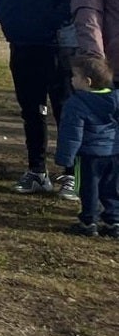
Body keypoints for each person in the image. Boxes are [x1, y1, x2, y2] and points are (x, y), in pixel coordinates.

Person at [0, 0, 89, 197]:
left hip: (58, 43)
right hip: (21, 40)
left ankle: (71, 173)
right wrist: (2, 14)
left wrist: (53, 21)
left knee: (65, 109)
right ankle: (37, 170)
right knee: (30, 108)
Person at [55, 55, 119, 237]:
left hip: (88, 155)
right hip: (113, 153)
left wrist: (65, 158)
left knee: (88, 188)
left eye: (74, 77)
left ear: (87, 82)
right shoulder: (115, 99)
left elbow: (72, 133)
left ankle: (88, 222)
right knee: (112, 187)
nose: (71, 80)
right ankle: (114, 220)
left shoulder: (76, 103)